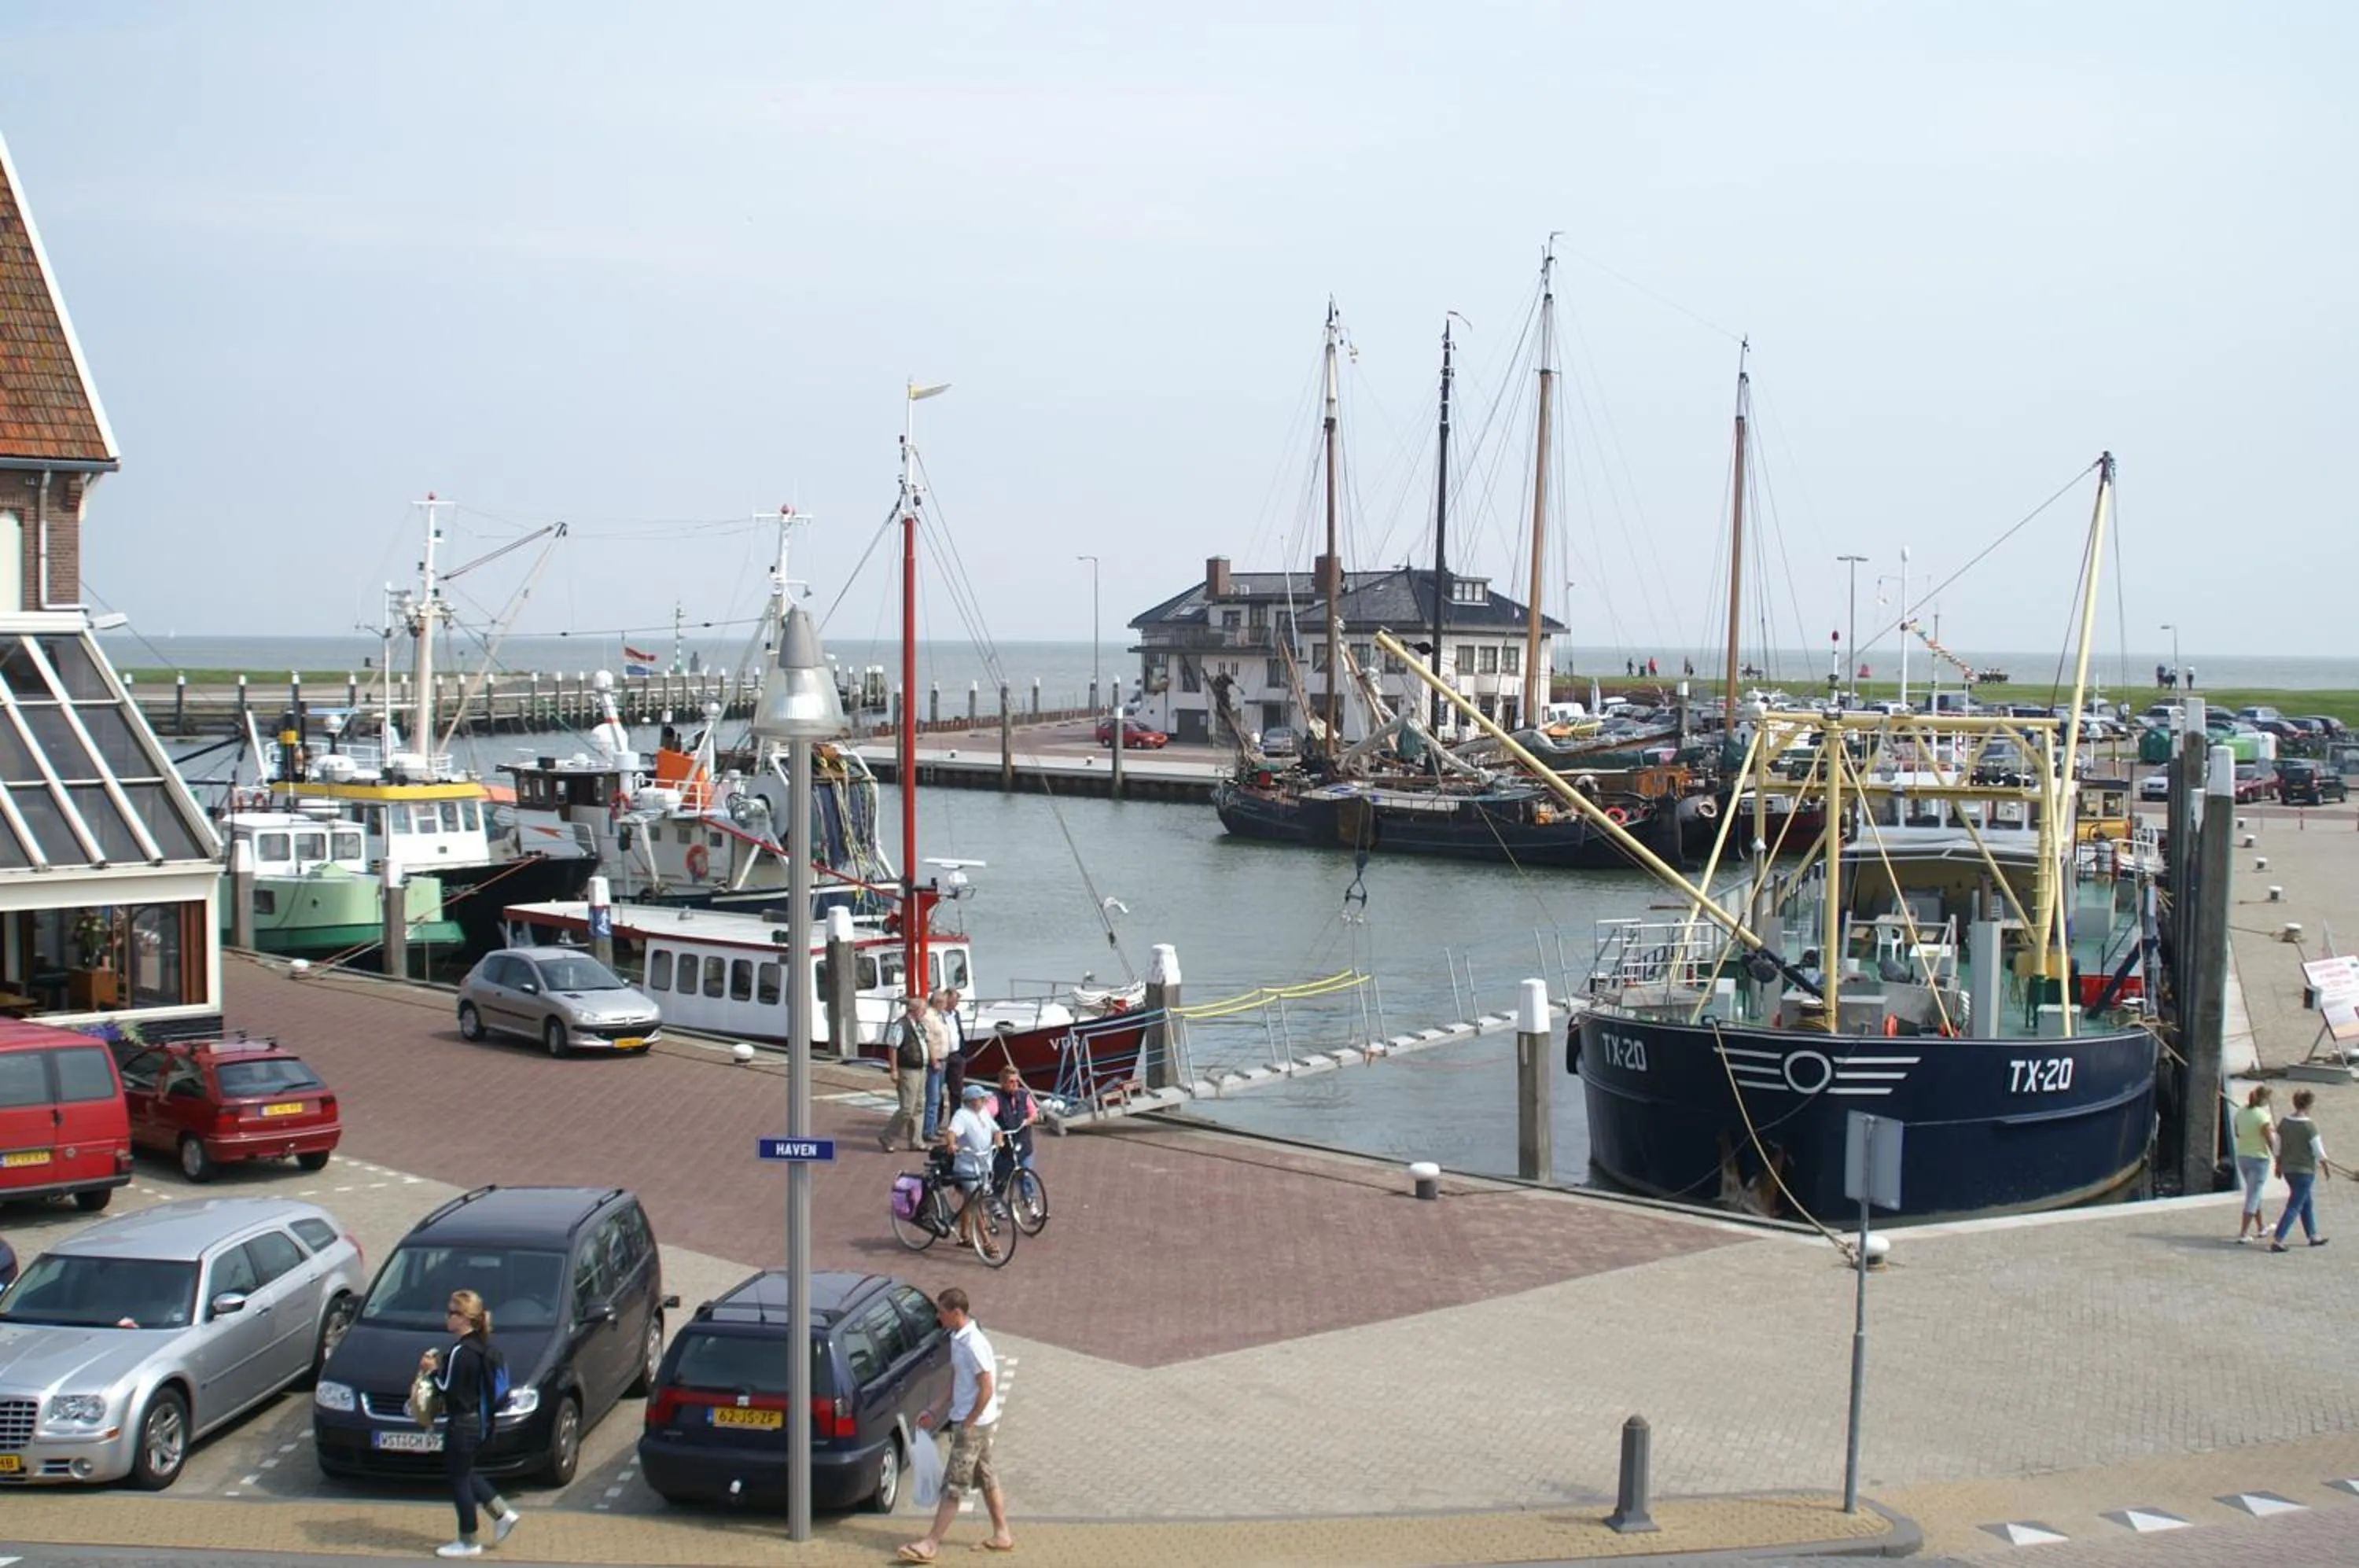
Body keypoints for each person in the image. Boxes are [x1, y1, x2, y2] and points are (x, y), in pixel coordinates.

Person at [898, 1286, 1012, 1562]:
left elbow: (987, 1387)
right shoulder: (957, 1338)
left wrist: (969, 1422)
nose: (938, 1317)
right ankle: (1002, 1535)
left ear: (957, 1312)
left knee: (954, 1485)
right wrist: (934, 1408)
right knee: (987, 1477)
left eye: (942, 1312)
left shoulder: (974, 1344)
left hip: (973, 1425)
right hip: (970, 1421)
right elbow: (957, 1377)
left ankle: (931, 1543)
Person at [424, 1290, 518, 1559]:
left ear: (465, 1318)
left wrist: (431, 1370)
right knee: (464, 1472)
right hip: (479, 1423)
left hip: (462, 1424)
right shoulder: (482, 1347)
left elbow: (448, 1390)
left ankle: (468, 1540)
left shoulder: (461, 1351)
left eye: (452, 1312)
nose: (447, 1317)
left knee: (459, 1480)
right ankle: (502, 1513)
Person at [943, 1082, 1003, 1255]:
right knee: (977, 1202)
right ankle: (986, 1242)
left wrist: (999, 1139)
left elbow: (996, 1129)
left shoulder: (984, 1112)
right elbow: (952, 1132)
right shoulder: (962, 1115)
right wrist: (952, 1144)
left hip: (984, 1165)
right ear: (971, 1101)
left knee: (970, 1201)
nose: (984, 1101)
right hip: (967, 1166)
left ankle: (964, 1235)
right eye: (981, 1098)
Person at [2271, 1088, 2329, 1252]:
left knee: (2306, 1201)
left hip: (2289, 1170)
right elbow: (2318, 1151)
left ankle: (2313, 1235)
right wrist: (2325, 1166)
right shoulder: (2309, 1126)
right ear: (2309, 1105)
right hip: (2305, 1170)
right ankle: (2278, 1239)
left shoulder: (2284, 1123)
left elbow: (2277, 1147)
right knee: (2295, 1205)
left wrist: (2278, 1165)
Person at [878, 994, 929, 1152]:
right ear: (915, 1010)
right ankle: (887, 1136)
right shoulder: (901, 1025)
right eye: (923, 1010)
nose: (925, 1013)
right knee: (907, 1108)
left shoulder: (919, 1025)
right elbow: (893, 1047)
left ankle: (916, 1141)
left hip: (921, 1069)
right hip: (908, 1070)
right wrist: (894, 1070)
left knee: (919, 1106)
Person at [2233, 1084, 2278, 1243]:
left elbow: (2237, 1133)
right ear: (2264, 1100)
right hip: (2258, 1158)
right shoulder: (2262, 1116)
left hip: (2242, 1156)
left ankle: (2261, 1227)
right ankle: (2244, 1233)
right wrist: (2278, 1159)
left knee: (2255, 1192)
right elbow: (2270, 1141)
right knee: (2253, 1195)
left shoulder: (2240, 1112)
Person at [915, 992, 951, 1144]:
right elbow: (928, 1040)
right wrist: (934, 1060)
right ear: (938, 1002)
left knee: (939, 1096)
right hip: (934, 1062)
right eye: (944, 1002)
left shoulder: (939, 1016)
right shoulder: (929, 1017)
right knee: (933, 1097)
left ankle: (934, 1126)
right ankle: (928, 1130)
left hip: (943, 1059)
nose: (946, 1005)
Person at [992, 1064, 1040, 1174]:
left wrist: (1027, 1121)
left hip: (1023, 1143)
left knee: (1027, 1176)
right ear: (1003, 1083)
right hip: (1005, 1147)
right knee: (1001, 1177)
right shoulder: (996, 1098)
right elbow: (988, 1115)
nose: (1015, 1085)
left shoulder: (1024, 1095)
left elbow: (1034, 1113)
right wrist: (996, 1130)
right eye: (1011, 1082)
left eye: (1017, 1081)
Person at [935, 987, 970, 1117]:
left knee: (957, 1090)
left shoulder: (956, 1014)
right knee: (938, 1090)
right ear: (947, 999)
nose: (957, 1003)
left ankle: (955, 1118)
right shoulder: (939, 1015)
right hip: (942, 1056)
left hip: (956, 1055)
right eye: (955, 1000)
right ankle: (938, 1119)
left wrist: (962, 1052)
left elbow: (959, 1032)